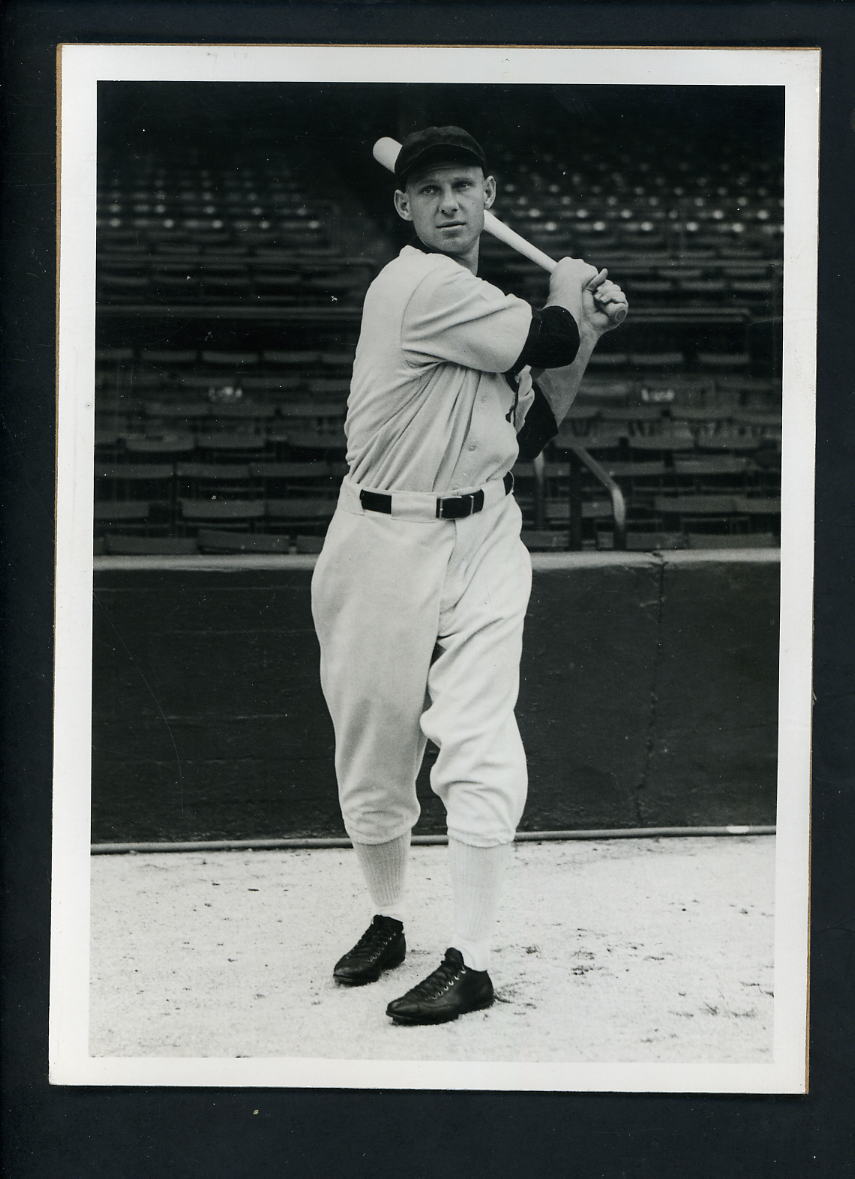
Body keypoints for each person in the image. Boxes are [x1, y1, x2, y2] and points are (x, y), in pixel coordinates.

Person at [311, 126, 626, 1025]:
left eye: (463, 185)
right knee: (373, 748)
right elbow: (549, 330)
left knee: (479, 737)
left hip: (483, 528)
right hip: (380, 535)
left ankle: (474, 958)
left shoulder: (481, 307)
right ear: (402, 208)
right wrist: (572, 295)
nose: (449, 203)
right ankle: (386, 915)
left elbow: (531, 431)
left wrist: (585, 331)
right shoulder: (417, 288)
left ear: (488, 192)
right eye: (428, 190)